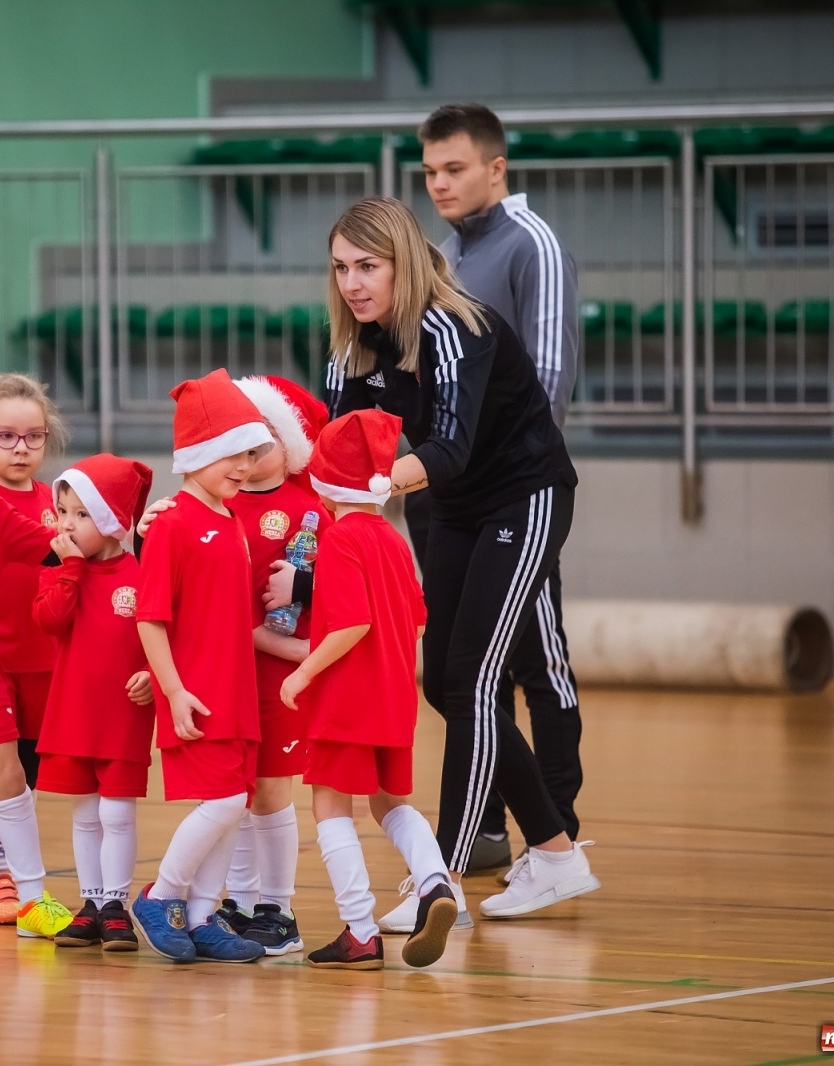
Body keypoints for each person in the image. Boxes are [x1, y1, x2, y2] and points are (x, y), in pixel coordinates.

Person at [324, 196, 599, 921]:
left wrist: (379, 484)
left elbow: (450, 447)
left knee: (473, 679)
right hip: (451, 510)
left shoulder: (455, 326)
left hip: (524, 496)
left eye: (368, 267)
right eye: (342, 268)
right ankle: (555, 852)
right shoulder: (352, 347)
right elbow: (329, 453)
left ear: (403, 264)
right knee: (444, 686)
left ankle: (435, 878)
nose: (354, 283)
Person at [413, 101, 585, 888]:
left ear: (495, 168)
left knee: (534, 659)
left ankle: (557, 831)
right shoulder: (445, 255)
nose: (440, 184)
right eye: (430, 172)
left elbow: (548, 376)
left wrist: (505, 479)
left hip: (516, 490)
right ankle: (484, 826)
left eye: (454, 169)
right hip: (456, 495)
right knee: (460, 667)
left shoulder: (533, 245)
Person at [280, 410, 460, 970]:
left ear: (325, 481)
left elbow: (351, 623)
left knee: (331, 807)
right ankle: (435, 883)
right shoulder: (393, 540)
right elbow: (419, 621)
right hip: (393, 697)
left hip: (346, 700)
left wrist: (304, 672)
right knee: (390, 804)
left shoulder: (339, 540)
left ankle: (359, 930)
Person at [130, 369, 271, 965]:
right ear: (196, 456)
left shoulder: (231, 521)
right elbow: (150, 618)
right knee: (219, 803)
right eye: (229, 455)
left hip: (235, 691)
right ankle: (161, 896)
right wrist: (174, 691)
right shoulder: (173, 525)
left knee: (235, 803)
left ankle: (206, 914)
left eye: (249, 455)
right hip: (198, 691)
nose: (242, 467)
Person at [216, 375, 331, 956]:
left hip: (281, 675)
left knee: (269, 791)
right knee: (233, 789)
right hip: (222, 673)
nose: (248, 456)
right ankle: (237, 901)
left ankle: (278, 911)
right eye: (238, 443)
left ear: (291, 446)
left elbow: (338, 596)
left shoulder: (311, 511)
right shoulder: (214, 503)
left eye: (262, 442)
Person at [32, 454, 155, 952]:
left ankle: (114, 904)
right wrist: (72, 569)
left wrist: (151, 672)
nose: (67, 523)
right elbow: (50, 620)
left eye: (82, 514)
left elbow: (163, 635)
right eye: (63, 511)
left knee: (117, 814)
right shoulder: (60, 572)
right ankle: (89, 903)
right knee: (85, 814)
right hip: (74, 710)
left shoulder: (142, 572)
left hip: (124, 714)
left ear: (109, 520)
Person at [0, 373, 67, 908]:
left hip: (44, 659)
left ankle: (21, 875)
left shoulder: (57, 500)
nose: (20, 448)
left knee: (25, 772)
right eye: (5, 436)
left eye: (33, 436)